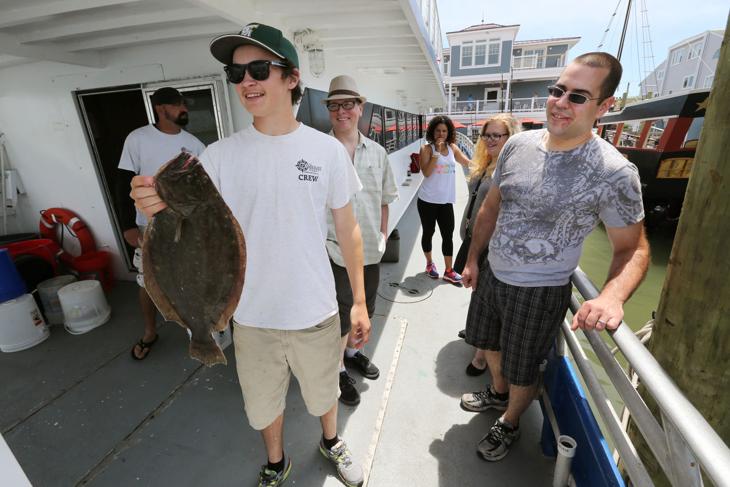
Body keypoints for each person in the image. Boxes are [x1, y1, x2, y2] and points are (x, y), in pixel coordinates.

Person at [130, 23, 370, 487]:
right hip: (250, 316)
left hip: (316, 310)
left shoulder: (326, 151)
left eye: (259, 69)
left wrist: (358, 300)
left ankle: (331, 441)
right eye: (235, 73)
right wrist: (151, 199)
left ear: (291, 78)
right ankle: (277, 461)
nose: (246, 82)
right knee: (263, 404)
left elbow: (349, 228)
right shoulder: (218, 156)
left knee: (324, 395)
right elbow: (181, 212)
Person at [460, 52, 650, 462]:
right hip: (493, 273)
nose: (561, 102)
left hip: (540, 290)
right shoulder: (517, 144)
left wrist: (611, 297)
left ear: (604, 107)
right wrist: (475, 258)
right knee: (487, 345)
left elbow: (632, 247)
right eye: (557, 90)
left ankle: (509, 421)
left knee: (524, 369)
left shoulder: (614, 172)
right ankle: (497, 392)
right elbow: (491, 207)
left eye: (578, 97)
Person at [323, 75, 398, 407]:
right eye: (335, 105)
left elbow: (384, 199)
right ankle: (338, 369)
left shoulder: (379, 153)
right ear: (328, 110)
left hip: (369, 248)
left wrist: (383, 235)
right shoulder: (317, 152)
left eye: (348, 104)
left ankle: (353, 354)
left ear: (360, 108)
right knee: (340, 311)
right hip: (332, 249)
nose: (342, 112)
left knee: (366, 306)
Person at [118, 87, 206, 361]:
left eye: (185, 104)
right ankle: (149, 331)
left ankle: (199, 331)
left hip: (185, 226)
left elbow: (203, 188)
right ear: (160, 108)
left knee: (192, 278)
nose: (185, 109)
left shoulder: (194, 145)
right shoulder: (138, 138)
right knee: (148, 282)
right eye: (179, 104)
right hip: (149, 226)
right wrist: (127, 225)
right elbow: (123, 183)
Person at [453, 114, 521, 377]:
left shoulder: (510, 170)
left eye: (497, 135)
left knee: (485, 297)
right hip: (473, 240)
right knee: (476, 290)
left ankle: (480, 356)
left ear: (510, 137)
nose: (490, 140)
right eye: (487, 135)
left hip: (491, 246)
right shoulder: (486, 163)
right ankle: (475, 331)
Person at [417, 115, 471, 285]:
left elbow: (466, 162)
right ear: (432, 132)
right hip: (427, 200)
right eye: (438, 130)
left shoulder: (453, 147)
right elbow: (426, 172)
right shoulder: (426, 149)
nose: (441, 134)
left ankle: (449, 270)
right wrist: (436, 153)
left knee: (448, 235)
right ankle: (429, 263)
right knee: (428, 233)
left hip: (446, 201)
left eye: (444, 131)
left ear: (449, 133)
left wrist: (487, 165)